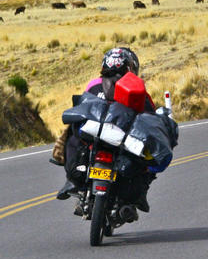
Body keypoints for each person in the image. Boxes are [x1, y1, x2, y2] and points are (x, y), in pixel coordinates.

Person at [53, 46, 157, 211]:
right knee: (151, 153)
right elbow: (151, 117)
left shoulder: (95, 84)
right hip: (114, 142)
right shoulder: (137, 90)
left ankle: (71, 180)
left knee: (72, 133)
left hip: (99, 139)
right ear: (131, 68)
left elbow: (82, 107)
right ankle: (139, 195)